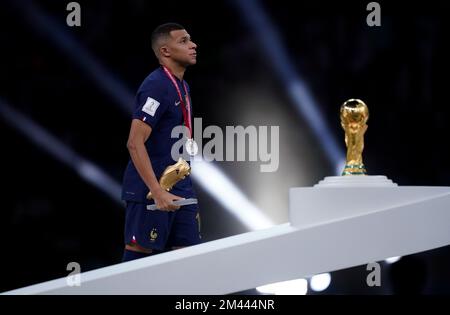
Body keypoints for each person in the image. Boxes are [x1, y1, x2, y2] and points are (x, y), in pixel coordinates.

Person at [121, 23, 201, 262]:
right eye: (184, 41)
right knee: (139, 263)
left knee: (189, 261)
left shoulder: (182, 85)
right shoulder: (156, 86)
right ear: (165, 51)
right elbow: (134, 142)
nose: (193, 45)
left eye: (191, 39)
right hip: (152, 190)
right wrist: (157, 191)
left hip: (180, 185)